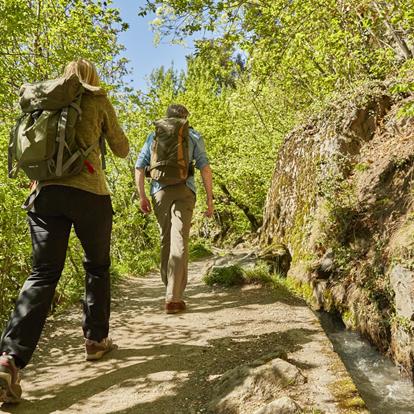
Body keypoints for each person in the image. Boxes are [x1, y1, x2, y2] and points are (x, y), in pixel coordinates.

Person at [0, 59, 129, 403]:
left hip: (44, 196)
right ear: (92, 77)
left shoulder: (45, 101)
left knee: (42, 274)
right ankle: (95, 340)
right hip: (90, 194)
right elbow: (121, 148)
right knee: (97, 267)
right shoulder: (97, 99)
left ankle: (9, 359)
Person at [135, 104, 213, 314]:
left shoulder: (154, 137)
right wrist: (209, 200)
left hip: (159, 191)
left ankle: (169, 288)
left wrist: (142, 196)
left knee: (166, 239)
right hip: (185, 190)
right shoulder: (193, 136)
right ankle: (174, 296)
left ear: (167, 118)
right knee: (180, 239)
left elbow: (140, 167)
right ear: (185, 119)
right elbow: (205, 168)